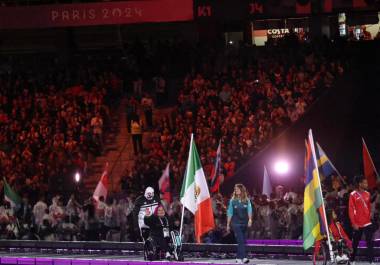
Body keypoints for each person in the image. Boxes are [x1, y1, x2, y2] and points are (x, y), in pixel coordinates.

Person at [348, 175, 374, 264]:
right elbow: (351, 209)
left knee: (370, 242)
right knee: (355, 243)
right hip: (357, 223)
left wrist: (370, 215)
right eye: (365, 183)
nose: (367, 184)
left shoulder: (368, 194)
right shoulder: (353, 195)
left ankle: (371, 261)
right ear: (360, 184)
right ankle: (352, 260)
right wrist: (353, 223)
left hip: (367, 222)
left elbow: (369, 207)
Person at [227, 184, 253, 264]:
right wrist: (228, 224)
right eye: (235, 189)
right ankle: (242, 258)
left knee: (243, 241)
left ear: (242, 190)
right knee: (241, 240)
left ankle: (240, 257)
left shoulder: (247, 200)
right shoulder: (232, 201)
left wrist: (250, 220)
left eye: (237, 189)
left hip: (244, 223)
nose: (236, 190)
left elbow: (249, 210)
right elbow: (230, 213)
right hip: (236, 223)